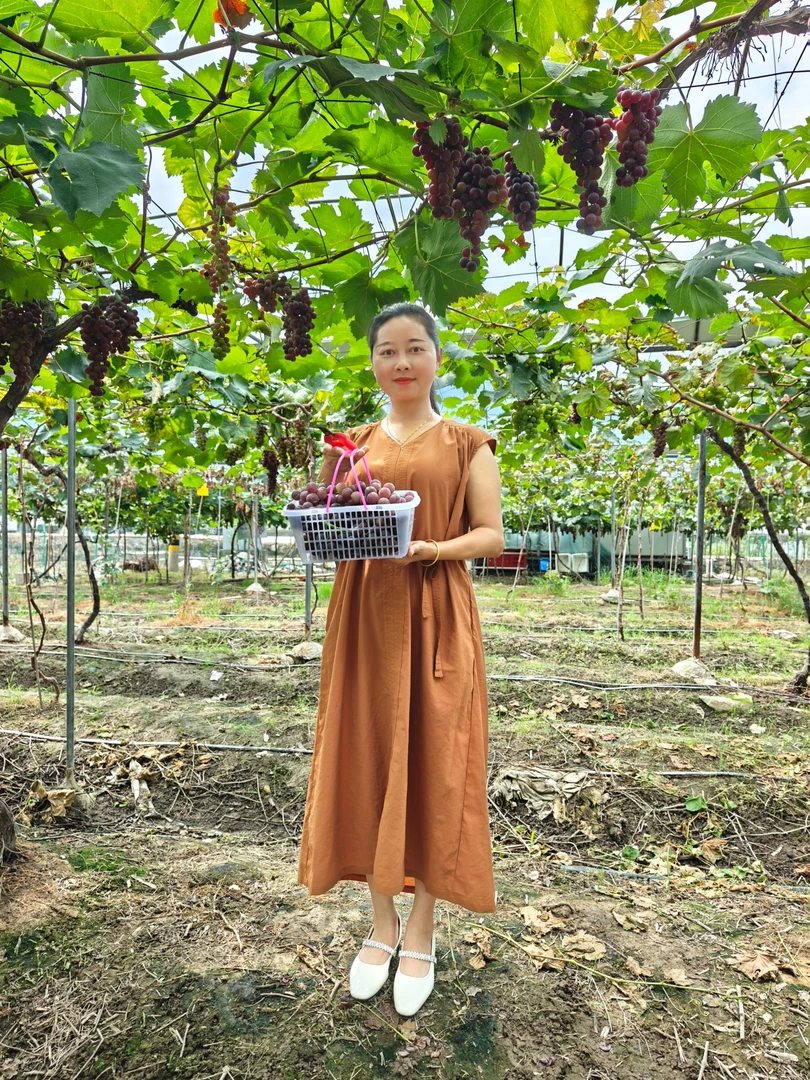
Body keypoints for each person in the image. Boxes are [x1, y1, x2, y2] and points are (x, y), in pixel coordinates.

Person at [297, 302, 504, 1017]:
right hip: (363, 619)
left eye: (416, 348)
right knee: (368, 757)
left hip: (435, 613)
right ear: (375, 365)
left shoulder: (467, 442)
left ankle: (421, 931)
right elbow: (329, 517)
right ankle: (380, 927)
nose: (402, 362)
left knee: (433, 765)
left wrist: (432, 550)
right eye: (388, 351)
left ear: (437, 358)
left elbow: (491, 536)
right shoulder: (349, 444)